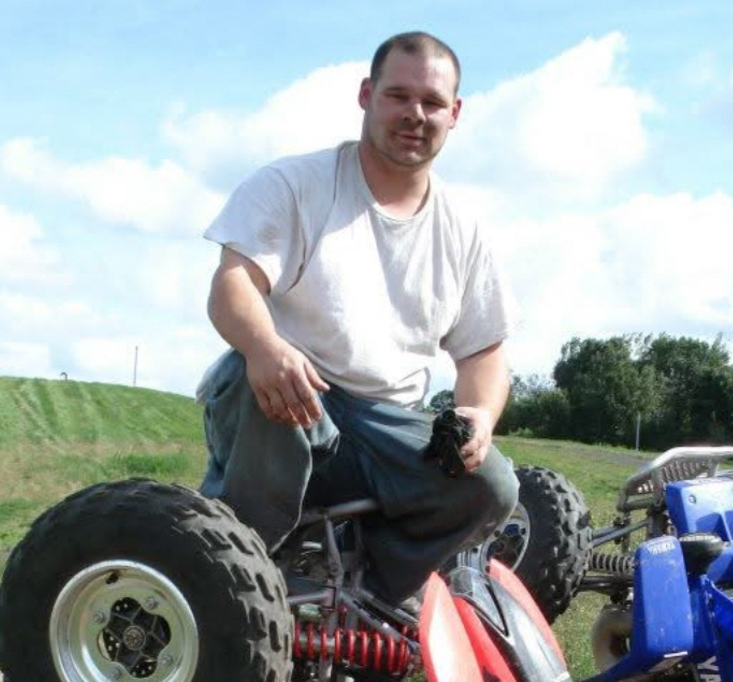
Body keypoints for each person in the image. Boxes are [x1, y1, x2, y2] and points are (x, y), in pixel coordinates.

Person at [196, 31, 519, 605]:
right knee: (264, 384)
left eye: (432, 102)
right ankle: (230, 581)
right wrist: (265, 346)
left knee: (492, 485)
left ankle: (368, 598)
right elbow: (233, 285)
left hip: (387, 427)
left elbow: (483, 354)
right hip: (290, 398)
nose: (415, 114)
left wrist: (478, 415)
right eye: (398, 96)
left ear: (454, 114)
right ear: (367, 95)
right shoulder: (295, 185)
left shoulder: (464, 230)